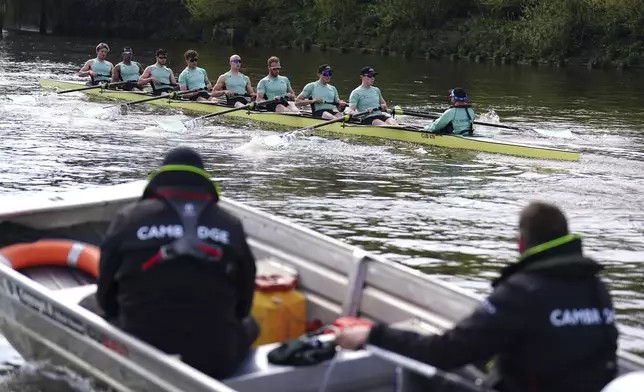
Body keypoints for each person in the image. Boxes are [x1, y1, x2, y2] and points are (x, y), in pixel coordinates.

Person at [336, 201, 619, 392]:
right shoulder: (597, 288)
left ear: (521, 242)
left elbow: (447, 352)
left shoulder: (521, 292)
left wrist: (374, 334)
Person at [95, 147, 258, 380]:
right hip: (216, 358)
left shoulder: (129, 218)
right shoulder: (230, 224)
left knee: (88, 306)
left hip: (140, 347)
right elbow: (244, 304)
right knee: (251, 324)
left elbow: (105, 296)